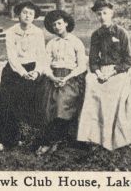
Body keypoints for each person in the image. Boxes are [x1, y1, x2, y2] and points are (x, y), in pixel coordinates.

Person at [77, 0, 131, 151]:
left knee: (112, 93)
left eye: (105, 13)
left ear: (111, 14)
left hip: (120, 70)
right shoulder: (96, 35)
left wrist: (111, 73)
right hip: (102, 70)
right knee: (92, 87)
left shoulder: (121, 33)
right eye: (99, 14)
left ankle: (113, 139)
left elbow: (128, 61)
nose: (102, 16)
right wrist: (98, 72)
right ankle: (93, 138)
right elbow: (93, 60)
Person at [0, 1, 47, 149]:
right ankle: (8, 137)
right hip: (15, 69)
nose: (27, 16)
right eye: (24, 12)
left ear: (34, 16)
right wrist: (23, 73)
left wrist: (36, 72)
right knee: (6, 96)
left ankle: (31, 137)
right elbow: (12, 56)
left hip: (33, 67)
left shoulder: (38, 32)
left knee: (36, 95)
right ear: (19, 14)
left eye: (31, 13)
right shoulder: (11, 32)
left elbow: (41, 55)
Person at [36, 10, 87, 155]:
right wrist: (52, 77)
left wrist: (66, 78)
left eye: (59, 23)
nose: (57, 27)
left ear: (66, 23)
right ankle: (52, 140)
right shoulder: (51, 43)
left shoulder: (76, 42)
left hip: (71, 78)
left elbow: (82, 65)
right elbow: (45, 64)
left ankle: (53, 141)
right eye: (54, 25)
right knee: (47, 103)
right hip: (54, 77)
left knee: (61, 103)